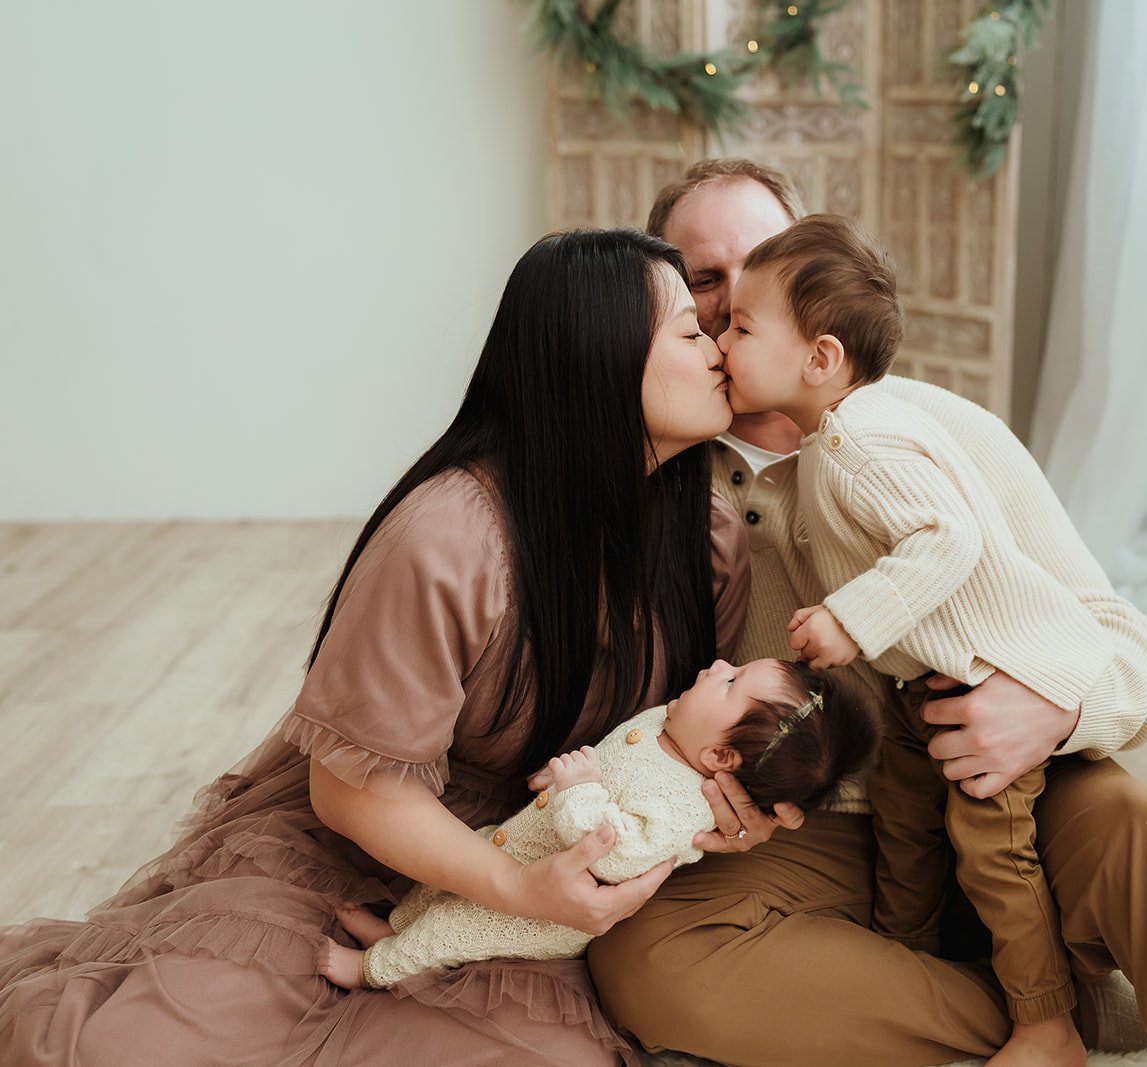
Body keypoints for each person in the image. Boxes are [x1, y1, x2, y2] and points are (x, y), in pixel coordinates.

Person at [588, 159, 1147, 1067]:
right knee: (641, 955)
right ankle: (1049, 1016)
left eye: (757, 266)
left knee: (1143, 832)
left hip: (1009, 790)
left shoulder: (935, 434)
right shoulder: (656, 474)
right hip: (820, 831)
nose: (730, 307)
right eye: (703, 282)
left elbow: (1127, 649)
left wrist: (1054, 704)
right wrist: (699, 783)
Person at [0, 228, 753, 1067]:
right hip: (383, 843)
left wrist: (719, 812)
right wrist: (512, 885)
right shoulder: (448, 537)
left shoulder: (710, 536)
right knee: (133, 1048)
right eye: (691, 331)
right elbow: (359, 795)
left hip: (543, 869)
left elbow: (686, 734)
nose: (722, 348)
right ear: (597, 358)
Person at [723, 210, 1147, 1066]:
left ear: (819, 359)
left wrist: (854, 617)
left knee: (992, 850)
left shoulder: (861, 442)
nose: (723, 340)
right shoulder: (843, 433)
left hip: (988, 679)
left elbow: (947, 538)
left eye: (742, 325)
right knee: (902, 814)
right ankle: (912, 958)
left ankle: (1048, 1025)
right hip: (918, 687)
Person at [317, 658, 873, 990]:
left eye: (730, 683)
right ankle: (395, 929)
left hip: (552, 909)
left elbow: (613, 853)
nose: (715, 667)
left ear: (722, 761)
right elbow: (614, 755)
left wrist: (577, 790)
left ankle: (374, 968)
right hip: (520, 847)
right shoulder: (676, 726)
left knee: (454, 927)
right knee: (445, 882)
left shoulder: (684, 806)